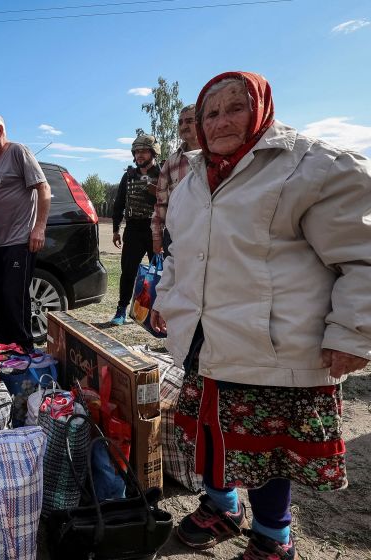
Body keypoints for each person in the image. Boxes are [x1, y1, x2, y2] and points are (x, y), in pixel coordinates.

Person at [150, 71, 371, 560]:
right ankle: (223, 507)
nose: (222, 120)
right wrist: (166, 300)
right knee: (211, 434)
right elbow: (179, 254)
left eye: (235, 107)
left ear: (262, 108)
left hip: (270, 341)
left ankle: (274, 537)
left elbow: (363, 256)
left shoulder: (310, 166)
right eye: (211, 112)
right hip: (204, 339)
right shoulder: (191, 179)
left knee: (263, 448)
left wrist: (354, 332)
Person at [0, 112, 51, 349]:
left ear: (0, 131)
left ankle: (26, 350)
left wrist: (39, 228)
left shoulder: (18, 152)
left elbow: (44, 188)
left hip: (21, 239)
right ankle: (8, 348)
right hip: (1, 241)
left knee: (13, 296)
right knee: (3, 297)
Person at [110, 134, 161, 325]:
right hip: (133, 230)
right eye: (137, 151)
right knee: (128, 271)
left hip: (156, 229)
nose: (139, 155)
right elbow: (119, 204)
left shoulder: (163, 174)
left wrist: (154, 191)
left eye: (144, 151)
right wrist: (116, 229)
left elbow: (173, 201)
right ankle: (121, 310)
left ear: (153, 152)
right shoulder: (128, 176)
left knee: (160, 272)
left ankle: (159, 312)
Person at [151, 104, 200, 255]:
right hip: (175, 236)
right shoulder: (171, 162)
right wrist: (157, 236)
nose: (183, 126)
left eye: (189, 121)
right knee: (174, 278)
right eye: (180, 122)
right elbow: (161, 202)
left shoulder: (217, 155)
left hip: (209, 235)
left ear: (202, 122)